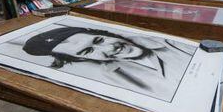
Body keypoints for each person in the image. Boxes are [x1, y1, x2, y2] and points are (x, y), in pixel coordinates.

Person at [22, 25, 195, 99]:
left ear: (104, 33)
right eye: (88, 51)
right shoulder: (113, 76)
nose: (109, 49)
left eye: (98, 41)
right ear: (84, 59)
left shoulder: (168, 41)